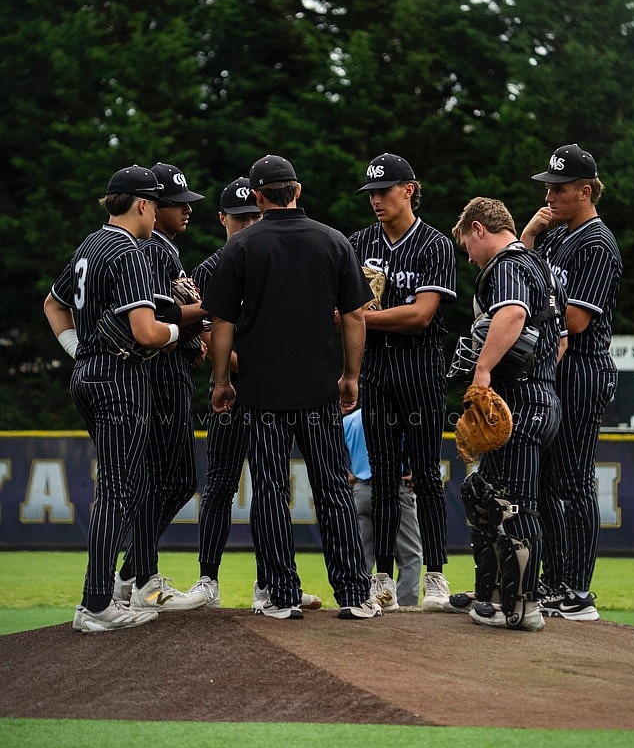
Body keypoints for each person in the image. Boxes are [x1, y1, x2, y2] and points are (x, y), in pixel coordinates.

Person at [201, 154, 381, 620]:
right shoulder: (334, 241)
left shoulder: (239, 249)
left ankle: (281, 595)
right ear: (297, 191)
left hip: (262, 393)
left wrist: (222, 382)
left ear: (257, 197)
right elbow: (356, 316)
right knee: (334, 491)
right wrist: (351, 375)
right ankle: (355, 594)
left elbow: (221, 322)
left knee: (270, 491)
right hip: (320, 390)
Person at [43, 165, 182, 633]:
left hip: (88, 374)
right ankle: (97, 602)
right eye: (155, 203)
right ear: (143, 205)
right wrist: (179, 330)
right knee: (118, 491)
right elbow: (146, 332)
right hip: (120, 377)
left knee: (123, 485)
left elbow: (53, 302)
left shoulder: (91, 243)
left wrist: (74, 349)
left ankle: (105, 594)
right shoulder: (129, 252)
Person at [187, 176, 321, 610]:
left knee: (271, 488)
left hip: (272, 392)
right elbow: (209, 342)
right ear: (221, 218)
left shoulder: (273, 256)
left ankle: (270, 583)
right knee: (221, 484)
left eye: (253, 216)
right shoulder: (210, 268)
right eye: (239, 217)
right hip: (235, 391)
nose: (247, 224)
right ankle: (208, 580)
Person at [348, 153, 456, 613]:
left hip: (421, 366)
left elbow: (420, 315)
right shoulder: (358, 243)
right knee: (384, 476)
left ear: (408, 189)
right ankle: (383, 580)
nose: (376, 199)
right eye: (371, 192)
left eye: (384, 190)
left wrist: (361, 319)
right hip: (375, 369)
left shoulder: (434, 244)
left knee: (427, 474)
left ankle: (436, 575)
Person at [451, 197, 565, 631]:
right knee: (480, 491)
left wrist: (483, 370)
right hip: (541, 395)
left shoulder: (507, 267)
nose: (468, 255)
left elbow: (513, 313)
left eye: (466, 244)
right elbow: (559, 341)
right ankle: (491, 594)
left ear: (479, 229)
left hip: (520, 401)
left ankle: (522, 608)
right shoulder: (540, 266)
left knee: (514, 505)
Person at [521, 144, 622, 620]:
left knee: (575, 481)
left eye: (559, 188)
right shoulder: (559, 237)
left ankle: (577, 591)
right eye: (547, 187)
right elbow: (523, 282)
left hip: (581, 368)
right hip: (554, 366)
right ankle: (555, 581)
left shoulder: (597, 243)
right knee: (547, 482)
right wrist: (530, 235)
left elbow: (576, 320)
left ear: (586, 190)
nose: (550, 195)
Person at [113, 163, 208, 613]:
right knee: (165, 478)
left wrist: (192, 328)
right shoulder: (150, 249)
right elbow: (159, 316)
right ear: (153, 205)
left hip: (168, 370)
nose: (186, 211)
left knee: (168, 479)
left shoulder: (162, 249)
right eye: (177, 204)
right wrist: (201, 317)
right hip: (158, 372)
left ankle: (133, 572)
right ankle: (140, 576)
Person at [343, 409, 422, 606]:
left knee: (363, 552)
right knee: (409, 554)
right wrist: (416, 471)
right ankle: (405, 608)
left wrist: (345, 473)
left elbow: (328, 448)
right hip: (395, 487)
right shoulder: (398, 414)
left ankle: (359, 600)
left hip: (362, 488)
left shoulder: (350, 420)